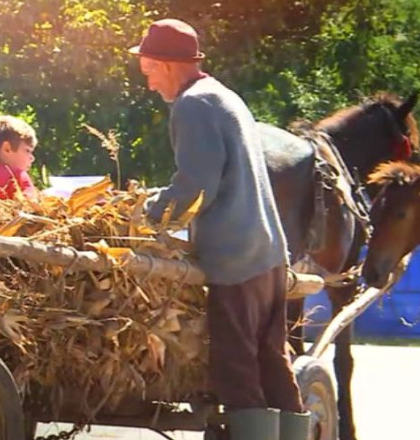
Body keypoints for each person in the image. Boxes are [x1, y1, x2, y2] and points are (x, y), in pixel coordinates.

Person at [129, 18, 310, 440]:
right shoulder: (225, 96)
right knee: (272, 360)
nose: (150, 84)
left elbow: (197, 187)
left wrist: (146, 215)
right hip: (268, 254)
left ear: (168, 64)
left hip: (235, 257)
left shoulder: (192, 105)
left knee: (237, 367)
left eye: (150, 72)